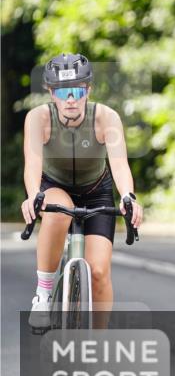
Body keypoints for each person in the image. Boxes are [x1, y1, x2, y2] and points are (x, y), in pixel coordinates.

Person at [21, 53, 144, 330]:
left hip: (96, 190)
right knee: (58, 213)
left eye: (77, 90)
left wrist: (128, 196)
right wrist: (32, 195)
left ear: (88, 90)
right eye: (63, 92)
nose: (71, 99)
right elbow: (32, 165)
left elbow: (120, 165)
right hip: (53, 186)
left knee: (99, 272)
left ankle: (96, 344)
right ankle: (43, 293)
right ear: (52, 93)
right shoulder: (38, 118)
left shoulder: (106, 118)